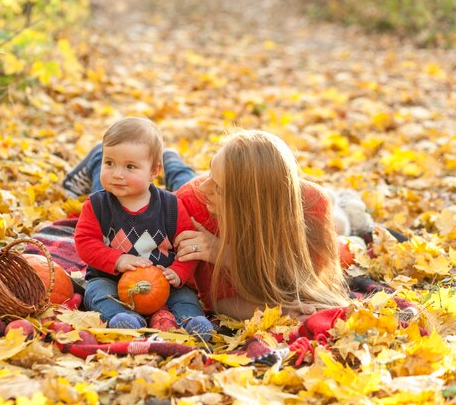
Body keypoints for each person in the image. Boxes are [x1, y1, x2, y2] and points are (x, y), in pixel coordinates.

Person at [65, 128, 350, 322]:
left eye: (220, 187)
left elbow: (308, 283)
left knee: (180, 175)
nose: (206, 188)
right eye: (211, 172)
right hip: (185, 200)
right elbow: (219, 302)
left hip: (209, 206)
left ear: (248, 204)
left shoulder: (314, 206)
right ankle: (97, 160)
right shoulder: (191, 202)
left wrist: (226, 255)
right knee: (125, 194)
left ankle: (171, 159)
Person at [73, 117, 214, 341]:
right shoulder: (97, 205)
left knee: (186, 296)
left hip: (164, 281)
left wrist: (179, 271)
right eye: (109, 163)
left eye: (130, 167)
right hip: (112, 279)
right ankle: (123, 319)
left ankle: (191, 322)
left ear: (154, 171)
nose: (117, 173)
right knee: (96, 292)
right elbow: (85, 243)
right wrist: (117, 260)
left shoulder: (170, 206)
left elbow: (188, 245)